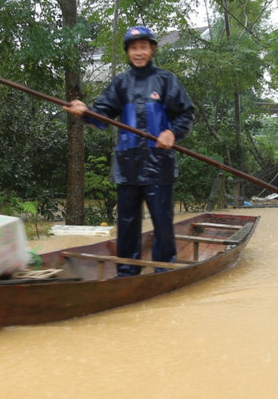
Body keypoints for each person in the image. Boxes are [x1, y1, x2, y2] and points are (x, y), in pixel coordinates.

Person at [65, 25, 195, 276]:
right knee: (126, 223)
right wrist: (84, 111)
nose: (138, 52)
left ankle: (165, 271)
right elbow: (102, 115)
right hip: (128, 165)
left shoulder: (166, 80)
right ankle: (126, 272)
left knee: (162, 221)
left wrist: (172, 133)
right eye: (133, 48)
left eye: (143, 47)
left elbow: (185, 114)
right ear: (127, 52)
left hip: (159, 164)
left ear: (152, 49)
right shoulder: (121, 83)